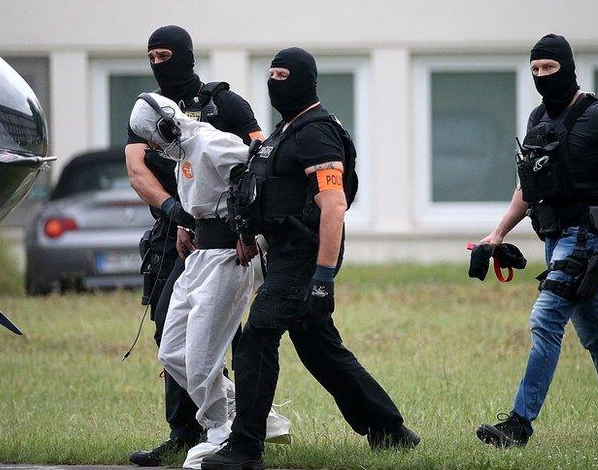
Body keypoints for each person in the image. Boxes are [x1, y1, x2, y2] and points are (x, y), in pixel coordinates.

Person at [203, 48, 419, 470]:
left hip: (305, 259)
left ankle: (246, 447)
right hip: (284, 252)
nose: (273, 82)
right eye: (270, 75)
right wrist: (257, 238)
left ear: (304, 80)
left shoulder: (316, 133)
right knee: (321, 350)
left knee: (257, 337)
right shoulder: (287, 130)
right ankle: (391, 431)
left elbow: (333, 205)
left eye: (282, 75)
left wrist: (322, 276)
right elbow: (280, 199)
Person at [475, 34, 598, 447]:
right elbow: (528, 187)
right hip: (556, 238)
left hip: (589, 236)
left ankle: (518, 425)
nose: (541, 76)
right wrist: (497, 233)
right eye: (534, 70)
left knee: (545, 320)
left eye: (548, 68)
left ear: (568, 69)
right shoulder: (538, 120)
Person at [125, 26, 263, 467]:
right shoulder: (153, 112)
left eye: (164, 55)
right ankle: (190, 429)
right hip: (181, 235)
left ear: (184, 56)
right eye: (151, 56)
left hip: (229, 243)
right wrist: (176, 212)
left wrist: (249, 230)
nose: (157, 64)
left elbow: (258, 164)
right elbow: (137, 168)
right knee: (172, 335)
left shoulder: (223, 110)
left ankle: (232, 429)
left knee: (219, 338)